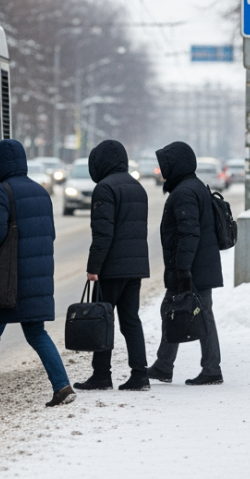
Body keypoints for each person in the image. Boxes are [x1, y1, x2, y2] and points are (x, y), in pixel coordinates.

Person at [0, 139, 75, 411]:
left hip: (7, 281)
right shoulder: (41, 192)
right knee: (37, 334)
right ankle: (62, 385)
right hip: (36, 278)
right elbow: (49, 235)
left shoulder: (0, 191)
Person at [73, 140, 151, 392]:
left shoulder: (105, 188)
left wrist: (93, 267)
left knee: (103, 320)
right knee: (130, 320)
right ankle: (140, 375)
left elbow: (103, 233)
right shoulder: (137, 186)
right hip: (135, 267)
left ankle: (101, 375)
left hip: (112, 267)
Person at [146, 141, 224, 386]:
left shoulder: (184, 193)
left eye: (165, 166)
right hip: (200, 265)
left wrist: (183, 269)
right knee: (176, 311)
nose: (163, 171)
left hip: (193, 268)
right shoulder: (193, 187)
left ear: (176, 165)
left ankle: (210, 369)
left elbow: (188, 234)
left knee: (189, 313)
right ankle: (164, 365)